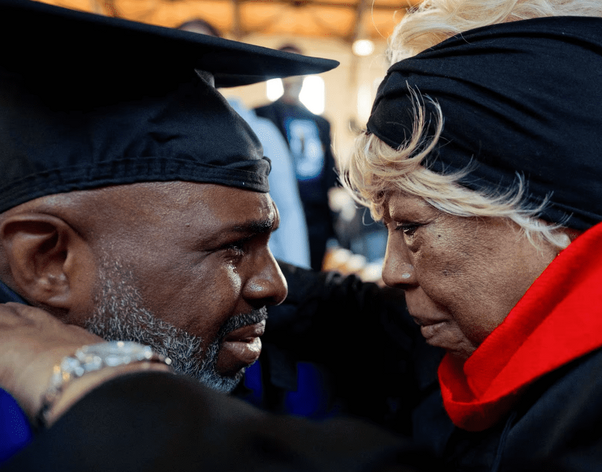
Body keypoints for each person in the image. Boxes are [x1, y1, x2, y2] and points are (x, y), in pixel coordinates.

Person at [254, 0, 602, 469]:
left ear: (540, 207)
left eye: (411, 226)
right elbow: (355, 313)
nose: (393, 272)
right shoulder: (487, 315)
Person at [0, 1, 437, 470]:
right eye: (232, 248)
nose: (278, 286)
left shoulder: (280, 364)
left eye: (264, 240)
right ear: (48, 261)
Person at [178, 18, 312, 268]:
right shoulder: (151, 135)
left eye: (203, 50)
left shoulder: (258, 132)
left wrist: (296, 278)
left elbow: (288, 210)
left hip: (251, 271)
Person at [254, 45, 338, 271]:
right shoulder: (261, 115)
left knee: (314, 273)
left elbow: (329, 169)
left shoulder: (321, 122)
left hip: (316, 215)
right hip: (278, 211)